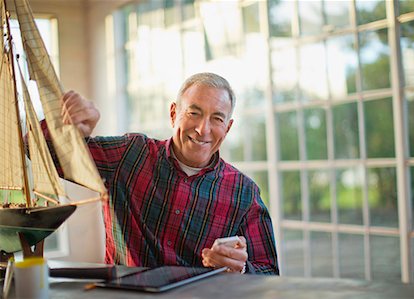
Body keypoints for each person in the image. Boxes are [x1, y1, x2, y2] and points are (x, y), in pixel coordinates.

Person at [59, 72, 279, 275]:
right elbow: (46, 154)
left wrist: (239, 268)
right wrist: (67, 127)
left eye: (217, 119)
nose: (203, 129)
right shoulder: (129, 155)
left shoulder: (244, 193)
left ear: (227, 128)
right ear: (174, 114)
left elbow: (269, 272)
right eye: (194, 113)